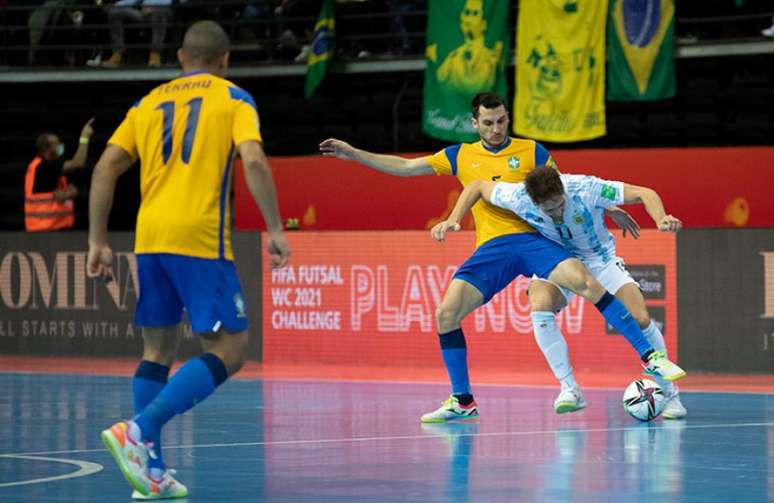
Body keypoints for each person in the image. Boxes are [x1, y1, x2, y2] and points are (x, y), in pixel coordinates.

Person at [319, 92, 685, 424]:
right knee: (446, 314)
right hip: (493, 248)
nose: (496, 129)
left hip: (535, 241)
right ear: (474, 123)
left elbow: (564, 192)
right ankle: (464, 400)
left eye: (501, 121)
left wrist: (607, 207)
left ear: (508, 118)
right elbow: (405, 168)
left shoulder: (533, 151)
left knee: (588, 284)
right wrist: (354, 154)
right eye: (488, 123)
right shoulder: (459, 156)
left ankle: (648, 358)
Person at [88, 20, 290, 499]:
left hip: (150, 238)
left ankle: (150, 474)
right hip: (199, 239)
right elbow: (255, 160)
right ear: (224, 61)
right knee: (231, 351)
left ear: (180, 57)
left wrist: (97, 240)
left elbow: (105, 168)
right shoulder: (233, 98)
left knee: (157, 350)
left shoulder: (148, 103)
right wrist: (276, 228)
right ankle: (140, 429)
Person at [432, 167, 688, 419]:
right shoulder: (518, 196)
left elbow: (645, 193)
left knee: (640, 318)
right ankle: (569, 388)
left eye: (559, 205)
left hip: (600, 260)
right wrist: (454, 218)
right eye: (548, 210)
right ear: (533, 201)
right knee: (540, 303)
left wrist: (661, 218)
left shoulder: (587, 188)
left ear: (563, 190)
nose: (556, 214)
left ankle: (670, 394)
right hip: (556, 259)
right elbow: (477, 185)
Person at [25, 118, 95, 232]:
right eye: (56, 144)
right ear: (45, 148)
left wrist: (67, 193)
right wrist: (84, 138)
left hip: (55, 229)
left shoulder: (50, 168)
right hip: (43, 231)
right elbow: (78, 163)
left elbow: (61, 194)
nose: (60, 146)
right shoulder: (43, 168)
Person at [101, 0, 173, 68]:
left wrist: (155, 5)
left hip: (164, 11)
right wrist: (117, 5)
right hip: (143, 11)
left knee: (159, 13)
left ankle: (155, 55)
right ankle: (117, 54)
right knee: (114, 12)